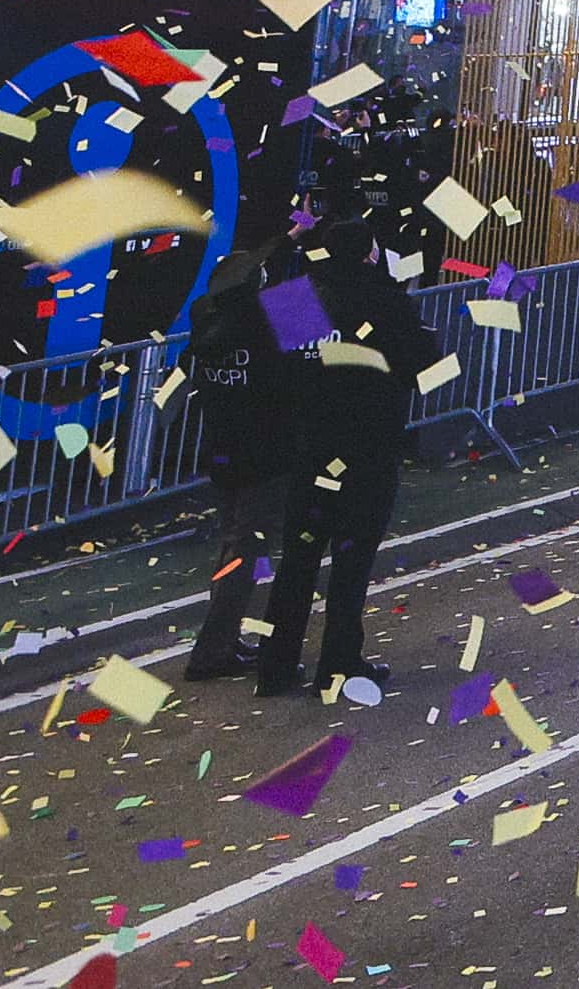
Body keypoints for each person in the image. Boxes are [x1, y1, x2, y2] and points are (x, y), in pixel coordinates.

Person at [253, 226, 427, 702]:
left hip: (310, 447)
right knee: (351, 562)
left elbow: (279, 375)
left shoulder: (295, 300)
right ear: (368, 256)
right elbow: (424, 371)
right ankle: (338, 664)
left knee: (298, 561)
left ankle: (275, 664)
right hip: (368, 448)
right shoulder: (385, 301)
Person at [178, 240, 291, 682]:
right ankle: (210, 652)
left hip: (222, 450)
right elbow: (318, 348)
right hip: (266, 453)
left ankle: (223, 641)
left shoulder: (204, 317)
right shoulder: (274, 315)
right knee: (245, 552)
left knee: (232, 545)